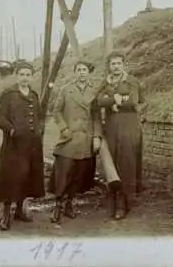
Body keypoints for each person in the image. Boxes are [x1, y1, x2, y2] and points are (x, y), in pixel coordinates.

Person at [48, 60, 102, 224]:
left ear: (88, 72)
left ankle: (69, 204)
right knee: (63, 173)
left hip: (86, 140)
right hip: (69, 138)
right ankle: (58, 205)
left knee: (78, 176)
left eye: (84, 69)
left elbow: (96, 117)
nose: (81, 72)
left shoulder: (94, 92)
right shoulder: (66, 90)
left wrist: (96, 137)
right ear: (75, 72)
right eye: (78, 69)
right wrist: (64, 128)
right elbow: (56, 111)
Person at [95, 50, 147, 220]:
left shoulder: (131, 81)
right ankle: (113, 199)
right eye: (113, 64)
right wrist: (114, 99)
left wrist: (117, 100)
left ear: (123, 64)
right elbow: (98, 100)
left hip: (128, 125)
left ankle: (123, 204)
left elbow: (133, 100)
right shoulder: (106, 82)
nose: (116, 67)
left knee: (126, 163)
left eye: (118, 63)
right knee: (113, 164)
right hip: (111, 127)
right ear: (109, 66)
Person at [0, 62, 45, 231]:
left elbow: (40, 116)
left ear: (31, 77)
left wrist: (40, 130)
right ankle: (6, 215)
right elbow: (0, 117)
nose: (25, 78)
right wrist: (12, 130)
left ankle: (19, 211)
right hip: (14, 144)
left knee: (26, 176)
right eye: (22, 74)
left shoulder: (34, 95)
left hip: (32, 145)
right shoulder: (8, 94)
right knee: (11, 177)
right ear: (17, 76)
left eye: (28, 74)